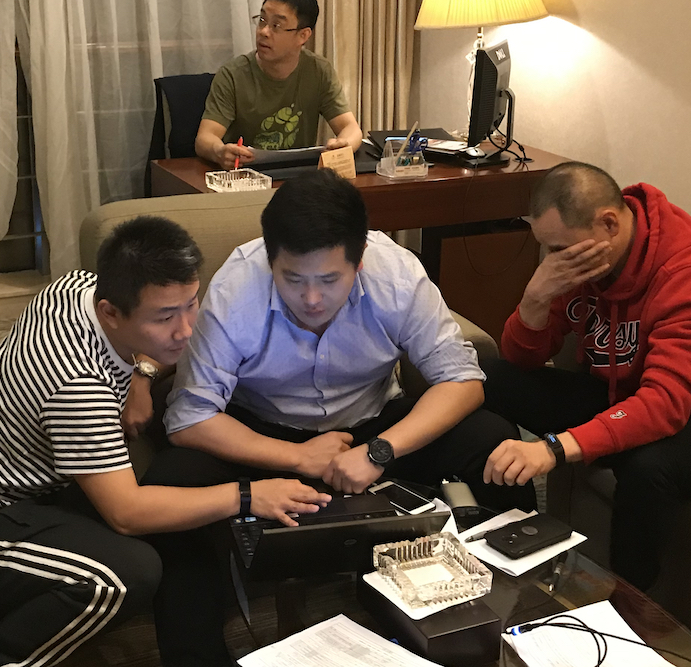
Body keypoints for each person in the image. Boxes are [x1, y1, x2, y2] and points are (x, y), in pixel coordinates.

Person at [0, 216, 329, 667]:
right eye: (165, 317)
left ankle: (32, 595)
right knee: (123, 576)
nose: (186, 329)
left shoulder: (73, 288)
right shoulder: (77, 386)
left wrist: (141, 375)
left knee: (166, 521)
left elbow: (140, 345)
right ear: (110, 313)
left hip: (11, 483)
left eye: (191, 304)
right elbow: (127, 513)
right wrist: (249, 495)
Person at [141, 168, 532, 664]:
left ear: (359, 260)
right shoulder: (236, 288)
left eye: (329, 280)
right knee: (175, 477)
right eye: (292, 279)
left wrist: (380, 451)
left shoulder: (396, 274)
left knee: (494, 440)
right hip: (263, 433)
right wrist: (297, 457)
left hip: (373, 428)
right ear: (270, 259)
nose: (311, 299)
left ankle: (511, 623)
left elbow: (463, 381)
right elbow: (190, 416)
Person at [482, 161, 691, 591]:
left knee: (647, 469)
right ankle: (496, 533)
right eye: (546, 249)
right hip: (619, 398)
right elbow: (521, 360)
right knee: (488, 377)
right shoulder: (584, 263)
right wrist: (534, 298)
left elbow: (666, 403)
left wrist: (554, 448)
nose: (553, 262)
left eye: (559, 249)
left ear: (609, 224)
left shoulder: (688, 277)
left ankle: (629, 608)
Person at [194, 0, 363, 168]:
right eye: (262, 20)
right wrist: (219, 152)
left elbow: (351, 128)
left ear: (303, 36)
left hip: (297, 175)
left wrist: (343, 145)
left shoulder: (318, 71)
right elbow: (205, 138)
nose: (264, 31)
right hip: (246, 175)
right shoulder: (233, 74)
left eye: (276, 25)